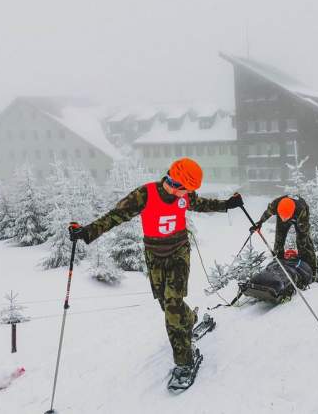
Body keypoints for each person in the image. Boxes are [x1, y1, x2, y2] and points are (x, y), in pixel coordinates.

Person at [68, 158, 244, 382]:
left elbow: (201, 204)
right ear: (178, 184)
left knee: (172, 308)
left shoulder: (184, 197)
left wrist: (226, 204)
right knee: (166, 302)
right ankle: (189, 318)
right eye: (188, 190)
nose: (190, 194)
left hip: (179, 253)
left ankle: (184, 362)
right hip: (154, 255)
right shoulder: (145, 194)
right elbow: (115, 216)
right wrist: (87, 232)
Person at [250, 195, 317, 275]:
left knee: (303, 244)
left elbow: (305, 232)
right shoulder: (275, 205)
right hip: (285, 211)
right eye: (281, 216)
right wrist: (260, 222)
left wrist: (302, 227)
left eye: (286, 217)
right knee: (279, 241)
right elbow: (267, 213)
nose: (283, 219)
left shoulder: (302, 210)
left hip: (299, 219)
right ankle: (278, 266)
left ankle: (309, 271)